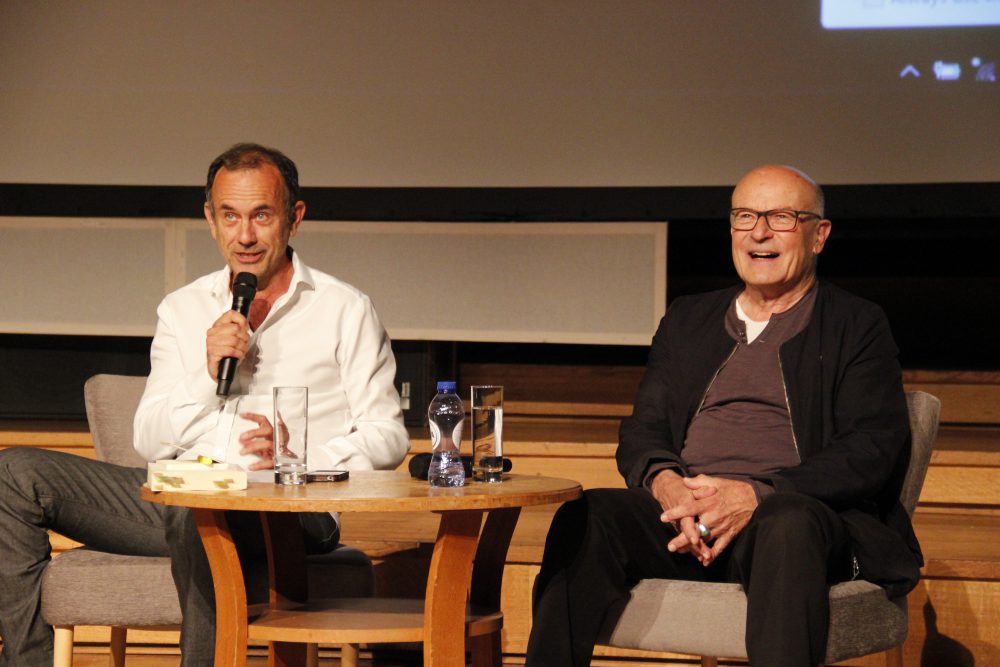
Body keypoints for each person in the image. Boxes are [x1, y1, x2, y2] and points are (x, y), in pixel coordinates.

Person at [0, 143, 409, 666]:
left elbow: (388, 435)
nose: (245, 236)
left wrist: (298, 460)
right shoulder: (182, 309)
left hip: (291, 507)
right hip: (182, 494)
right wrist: (204, 367)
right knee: (13, 472)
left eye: (261, 215)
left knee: (196, 513)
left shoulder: (345, 310)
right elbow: (149, 437)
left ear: (294, 218)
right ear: (210, 220)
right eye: (230, 216)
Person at [525, 165, 922, 667]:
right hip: (685, 515)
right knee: (585, 517)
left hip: (793, 517)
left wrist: (755, 494)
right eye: (745, 216)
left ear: (818, 234)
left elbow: (871, 449)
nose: (759, 232)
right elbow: (643, 428)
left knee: (787, 525)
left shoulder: (856, 324)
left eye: (781, 217)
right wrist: (667, 484)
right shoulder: (689, 318)